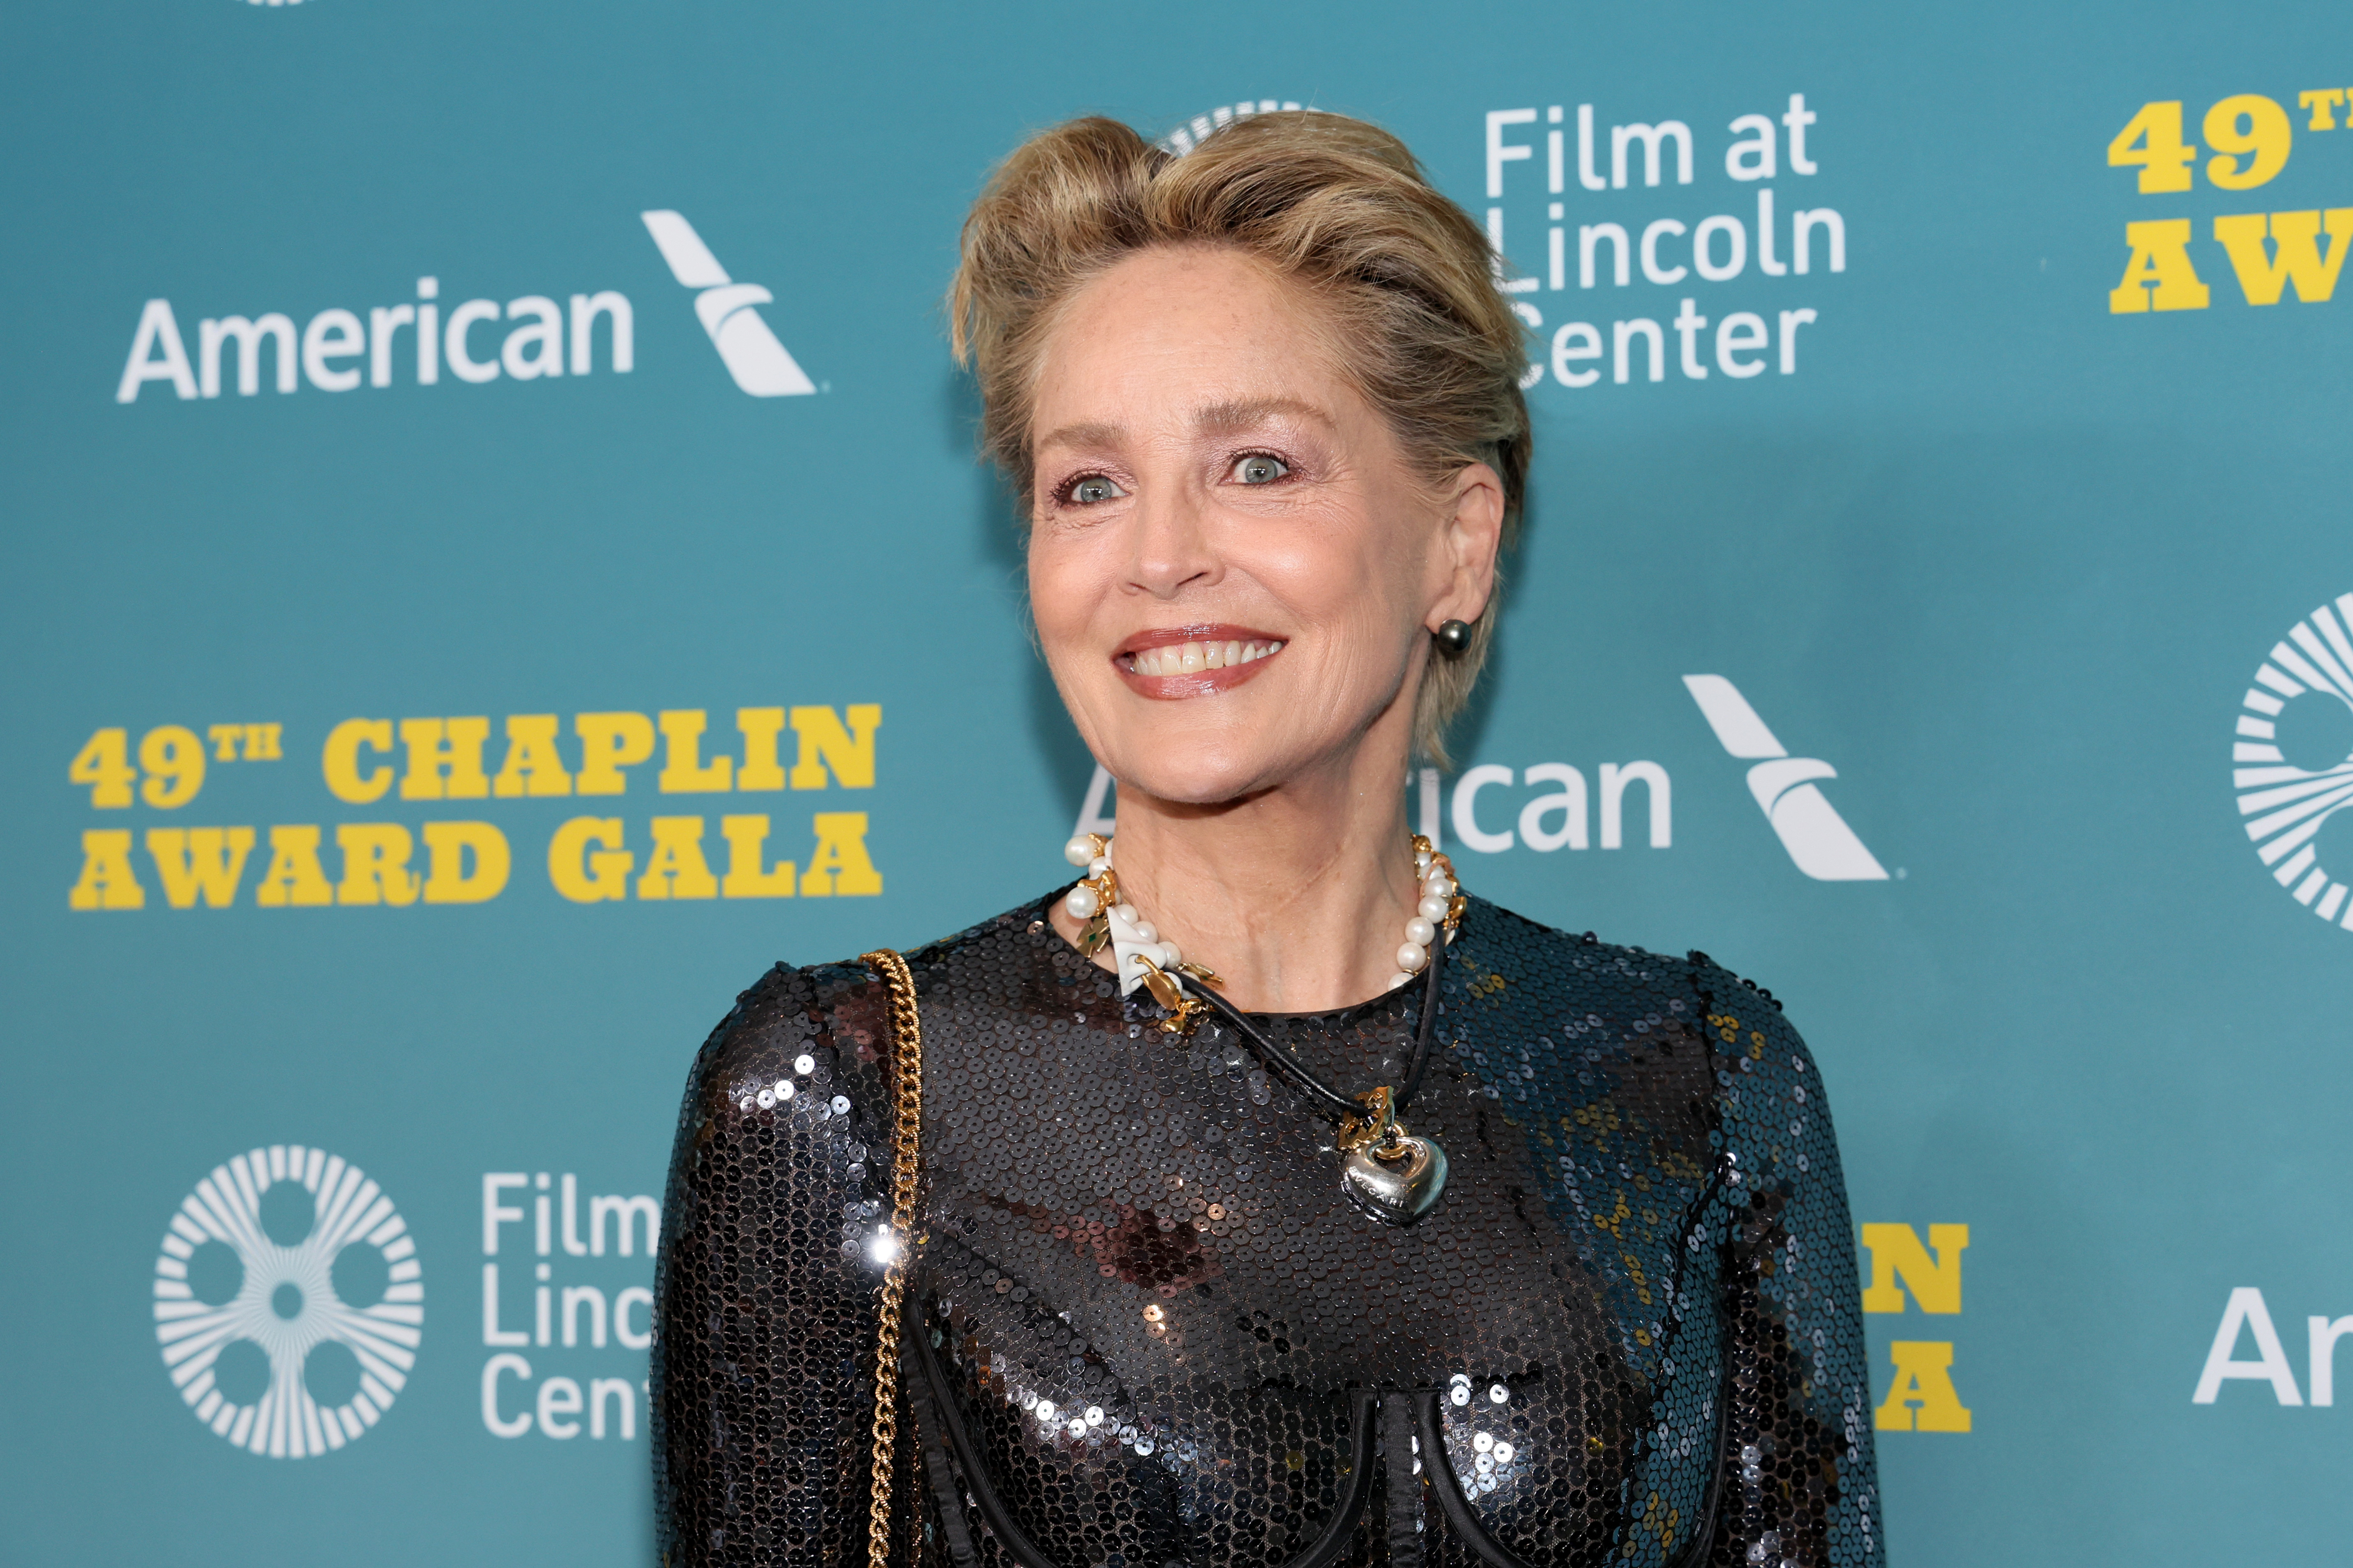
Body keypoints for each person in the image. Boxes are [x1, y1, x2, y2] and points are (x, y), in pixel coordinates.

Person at [652, 111, 1881, 1568]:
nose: (1159, 554)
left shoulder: (1702, 1079)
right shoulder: (845, 1091)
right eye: (1087, 486)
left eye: (1258, 466)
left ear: (1458, 542)